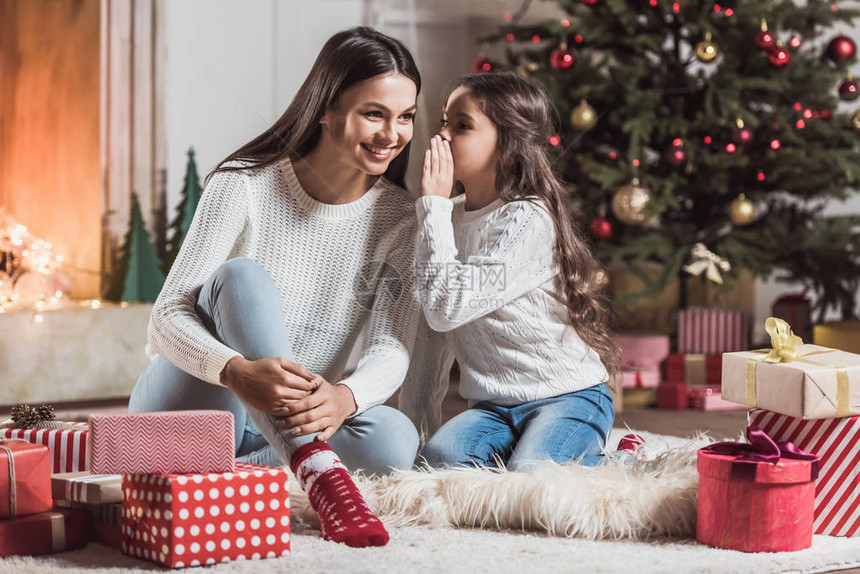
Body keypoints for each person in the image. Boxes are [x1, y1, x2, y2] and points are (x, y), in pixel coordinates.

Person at [129, 27, 423, 548]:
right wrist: (237, 372)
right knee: (241, 276)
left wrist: (343, 398)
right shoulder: (244, 183)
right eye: (374, 113)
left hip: (277, 428)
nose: (392, 134)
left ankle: (244, 471)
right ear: (326, 109)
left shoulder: (399, 218)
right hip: (198, 401)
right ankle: (317, 469)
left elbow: (391, 345)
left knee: (396, 438)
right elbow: (168, 314)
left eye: (406, 117)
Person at [413, 71, 643, 471]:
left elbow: (447, 307)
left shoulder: (526, 219)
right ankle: (530, 450)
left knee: (535, 474)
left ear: (507, 143)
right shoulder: (443, 219)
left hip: (570, 394)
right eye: (444, 123)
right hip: (494, 408)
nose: (443, 137)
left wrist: (432, 205)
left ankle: (623, 462)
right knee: (440, 461)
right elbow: (432, 326)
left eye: (462, 126)